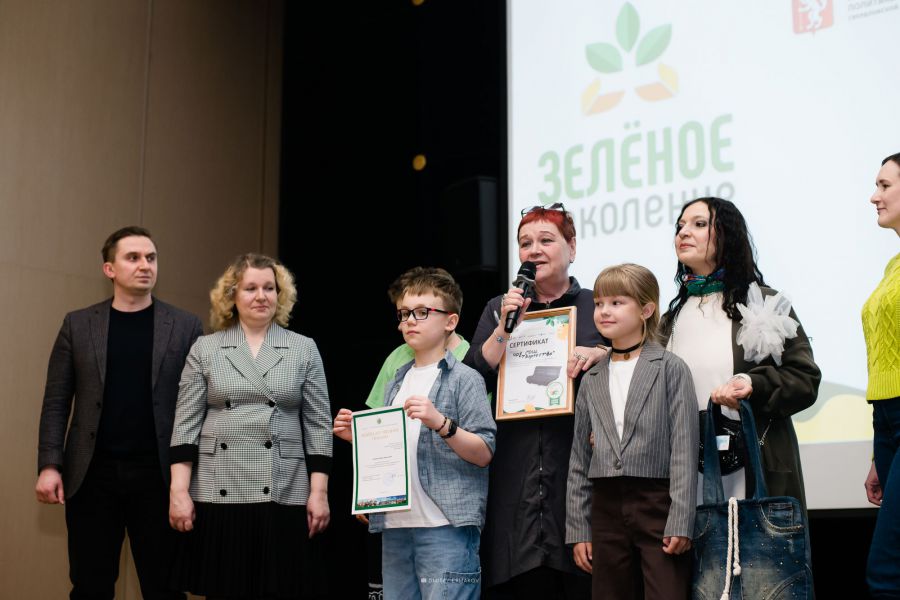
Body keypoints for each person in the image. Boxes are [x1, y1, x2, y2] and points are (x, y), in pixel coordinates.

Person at [35, 226, 203, 600]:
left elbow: (196, 408)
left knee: (165, 589)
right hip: (91, 476)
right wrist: (49, 465)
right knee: (90, 587)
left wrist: (189, 480)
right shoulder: (78, 324)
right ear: (109, 269)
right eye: (133, 258)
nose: (145, 265)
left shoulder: (186, 326)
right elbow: (56, 401)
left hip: (159, 477)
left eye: (151, 258)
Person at [168, 253, 332, 599]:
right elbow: (185, 425)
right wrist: (178, 492)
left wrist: (319, 493)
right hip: (218, 487)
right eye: (251, 288)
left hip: (285, 488)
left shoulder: (304, 349)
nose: (261, 296)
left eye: (269, 288)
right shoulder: (206, 348)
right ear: (232, 296)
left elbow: (319, 427)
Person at [464, 204, 606, 598]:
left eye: (546, 240)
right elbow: (473, 375)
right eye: (525, 243)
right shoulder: (500, 308)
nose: (534, 250)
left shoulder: (597, 305)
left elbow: (633, 358)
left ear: (572, 248)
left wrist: (601, 353)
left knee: (582, 581)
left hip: (577, 465)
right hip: (517, 469)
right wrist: (506, 326)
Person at [333, 267, 496, 599]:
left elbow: (484, 452)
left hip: (445, 527)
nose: (409, 321)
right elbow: (392, 447)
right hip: (395, 527)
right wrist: (359, 438)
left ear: (450, 321)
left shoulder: (466, 379)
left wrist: (441, 423)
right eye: (404, 313)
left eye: (422, 312)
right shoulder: (397, 380)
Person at [658, 197, 821, 507]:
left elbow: (804, 379)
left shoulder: (763, 303)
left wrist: (752, 384)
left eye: (699, 224)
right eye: (680, 226)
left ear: (727, 235)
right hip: (689, 481)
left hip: (755, 474)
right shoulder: (670, 320)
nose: (683, 232)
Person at [566, 264, 697, 600]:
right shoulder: (592, 378)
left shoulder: (670, 368)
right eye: (599, 303)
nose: (604, 311)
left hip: (657, 500)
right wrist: (579, 528)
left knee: (666, 592)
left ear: (646, 310)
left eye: (617, 302)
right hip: (606, 504)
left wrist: (681, 519)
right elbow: (579, 459)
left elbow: (684, 450)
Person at [863, 152, 900, 598]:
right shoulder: (893, 267)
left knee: (886, 572)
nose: (874, 196)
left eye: (885, 185)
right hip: (887, 422)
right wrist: (878, 450)